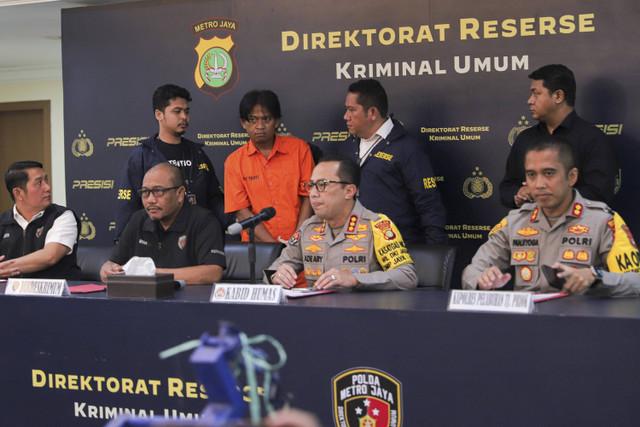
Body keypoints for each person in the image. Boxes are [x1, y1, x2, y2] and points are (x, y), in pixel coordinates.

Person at [463, 138, 639, 296]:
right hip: (526, 325)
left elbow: (636, 281)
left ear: (571, 177)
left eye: (549, 173)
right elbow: (472, 270)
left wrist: (596, 276)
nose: (539, 184)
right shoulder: (514, 222)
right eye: (531, 175)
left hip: (582, 324)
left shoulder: (604, 221)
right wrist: (482, 279)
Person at [267, 153, 417, 290]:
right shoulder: (308, 227)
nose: (312, 194)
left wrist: (355, 279)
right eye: (311, 185)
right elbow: (273, 270)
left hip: (362, 316)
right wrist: (276, 276)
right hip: (315, 314)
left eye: (322, 185)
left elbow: (407, 276)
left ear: (349, 191)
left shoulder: (377, 225)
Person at [113, 83, 230, 240]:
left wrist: (230, 224)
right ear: (159, 114)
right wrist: (123, 247)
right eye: (177, 112)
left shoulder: (198, 154)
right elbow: (127, 205)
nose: (184, 117)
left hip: (198, 240)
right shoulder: (141, 156)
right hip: (157, 243)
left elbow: (215, 201)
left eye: (186, 112)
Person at [338, 79, 447, 245]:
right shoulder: (347, 146)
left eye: (351, 110)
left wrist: (434, 253)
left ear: (372, 113)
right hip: (353, 250)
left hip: (396, 252)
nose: (346, 116)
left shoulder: (407, 147)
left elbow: (428, 204)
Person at [499, 64, 619, 209]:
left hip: (578, 228)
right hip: (530, 228)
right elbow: (506, 188)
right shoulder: (525, 138)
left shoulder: (593, 138)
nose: (529, 100)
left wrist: (545, 195)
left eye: (536, 93)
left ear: (558, 96)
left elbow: (598, 193)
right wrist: (519, 194)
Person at [101, 163, 225, 285]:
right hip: (141, 300)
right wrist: (108, 271)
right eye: (145, 192)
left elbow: (213, 273)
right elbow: (109, 264)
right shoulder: (138, 219)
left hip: (187, 301)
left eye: (158, 191)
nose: (150, 200)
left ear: (180, 193)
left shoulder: (204, 221)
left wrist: (152, 274)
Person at [224, 89, 314, 243]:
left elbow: (310, 196)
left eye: (266, 119)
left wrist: (295, 241)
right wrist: (274, 248)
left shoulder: (299, 149)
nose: (260, 126)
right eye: (253, 119)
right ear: (243, 123)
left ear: (277, 121)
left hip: (300, 244)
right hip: (257, 250)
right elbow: (241, 211)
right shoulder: (234, 161)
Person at [0, 161, 80, 279]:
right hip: (9, 295)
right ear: (18, 193)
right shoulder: (3, 222)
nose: (48, 187)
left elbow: (49, 256)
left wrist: (3, 268)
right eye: (39, 183)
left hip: (54, 295)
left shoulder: (62, 216)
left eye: (46, 181)